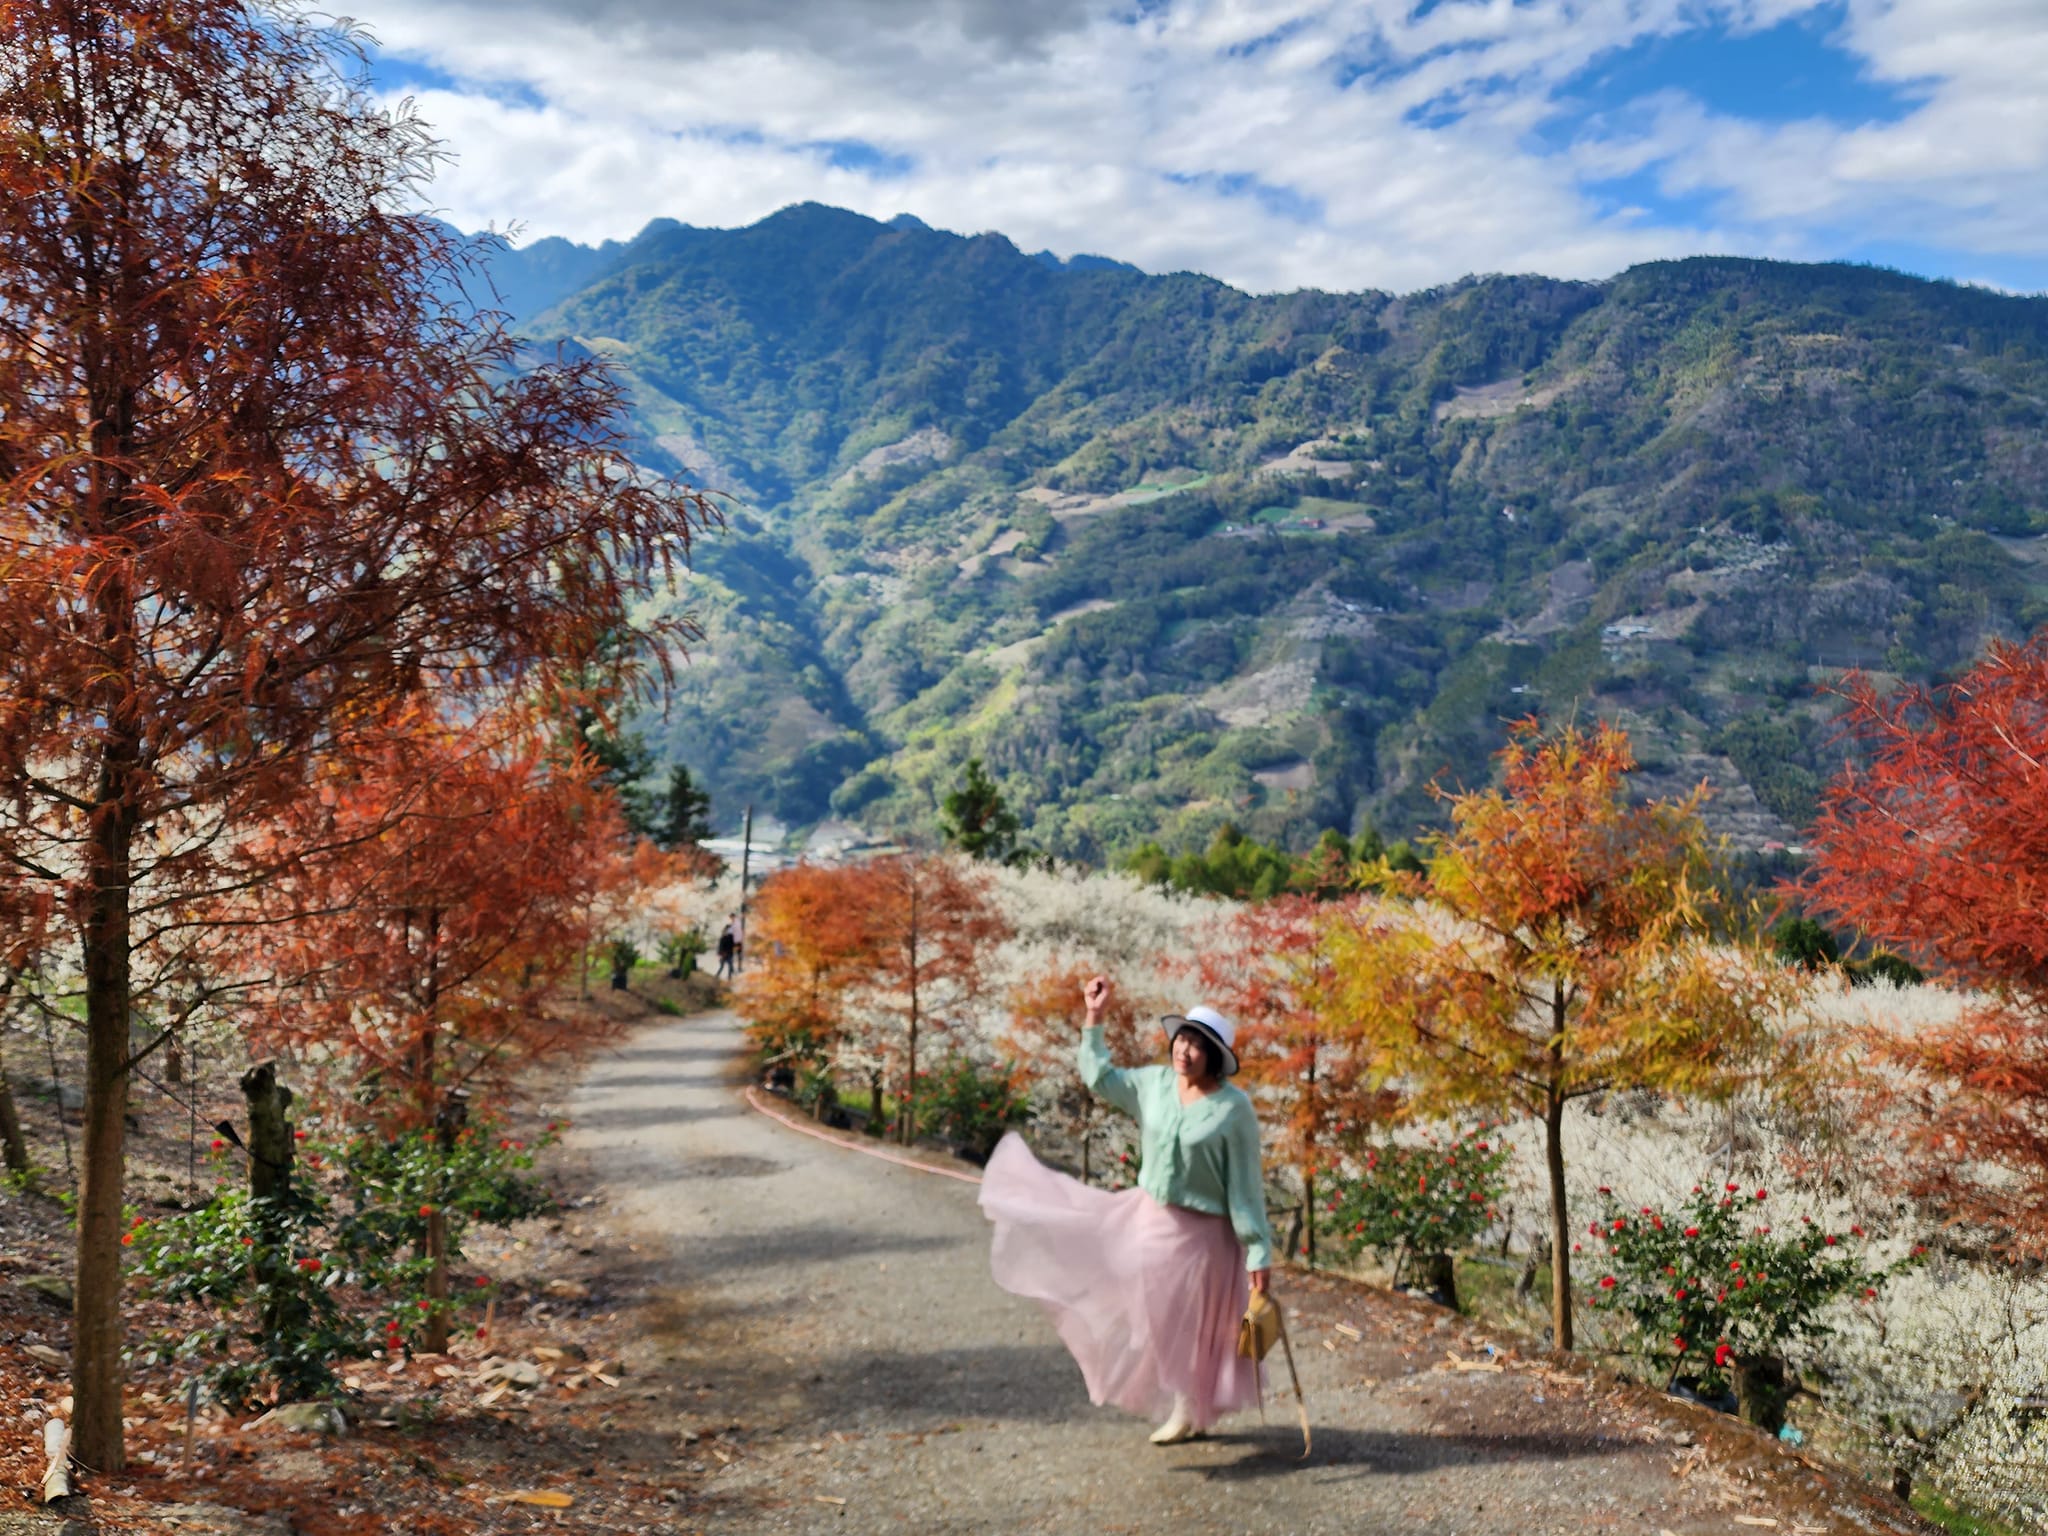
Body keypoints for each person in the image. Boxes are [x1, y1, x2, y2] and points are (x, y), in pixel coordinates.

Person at [979, 975, 1275, 1445]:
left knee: (1191, 1325)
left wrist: (1258, 1250)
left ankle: (1187, 1408)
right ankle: (1183, 1401)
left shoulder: (1233, 1111)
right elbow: (1101, 1077)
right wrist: (1094, 1016)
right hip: (1148, 1216)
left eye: (1198, 1045)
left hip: (1205, 1235)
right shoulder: (1154, 1085)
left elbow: (1245, 1186)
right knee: (1144, 1307)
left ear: (1216, 1057)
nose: (1185, 1050)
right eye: (1182, 1039)